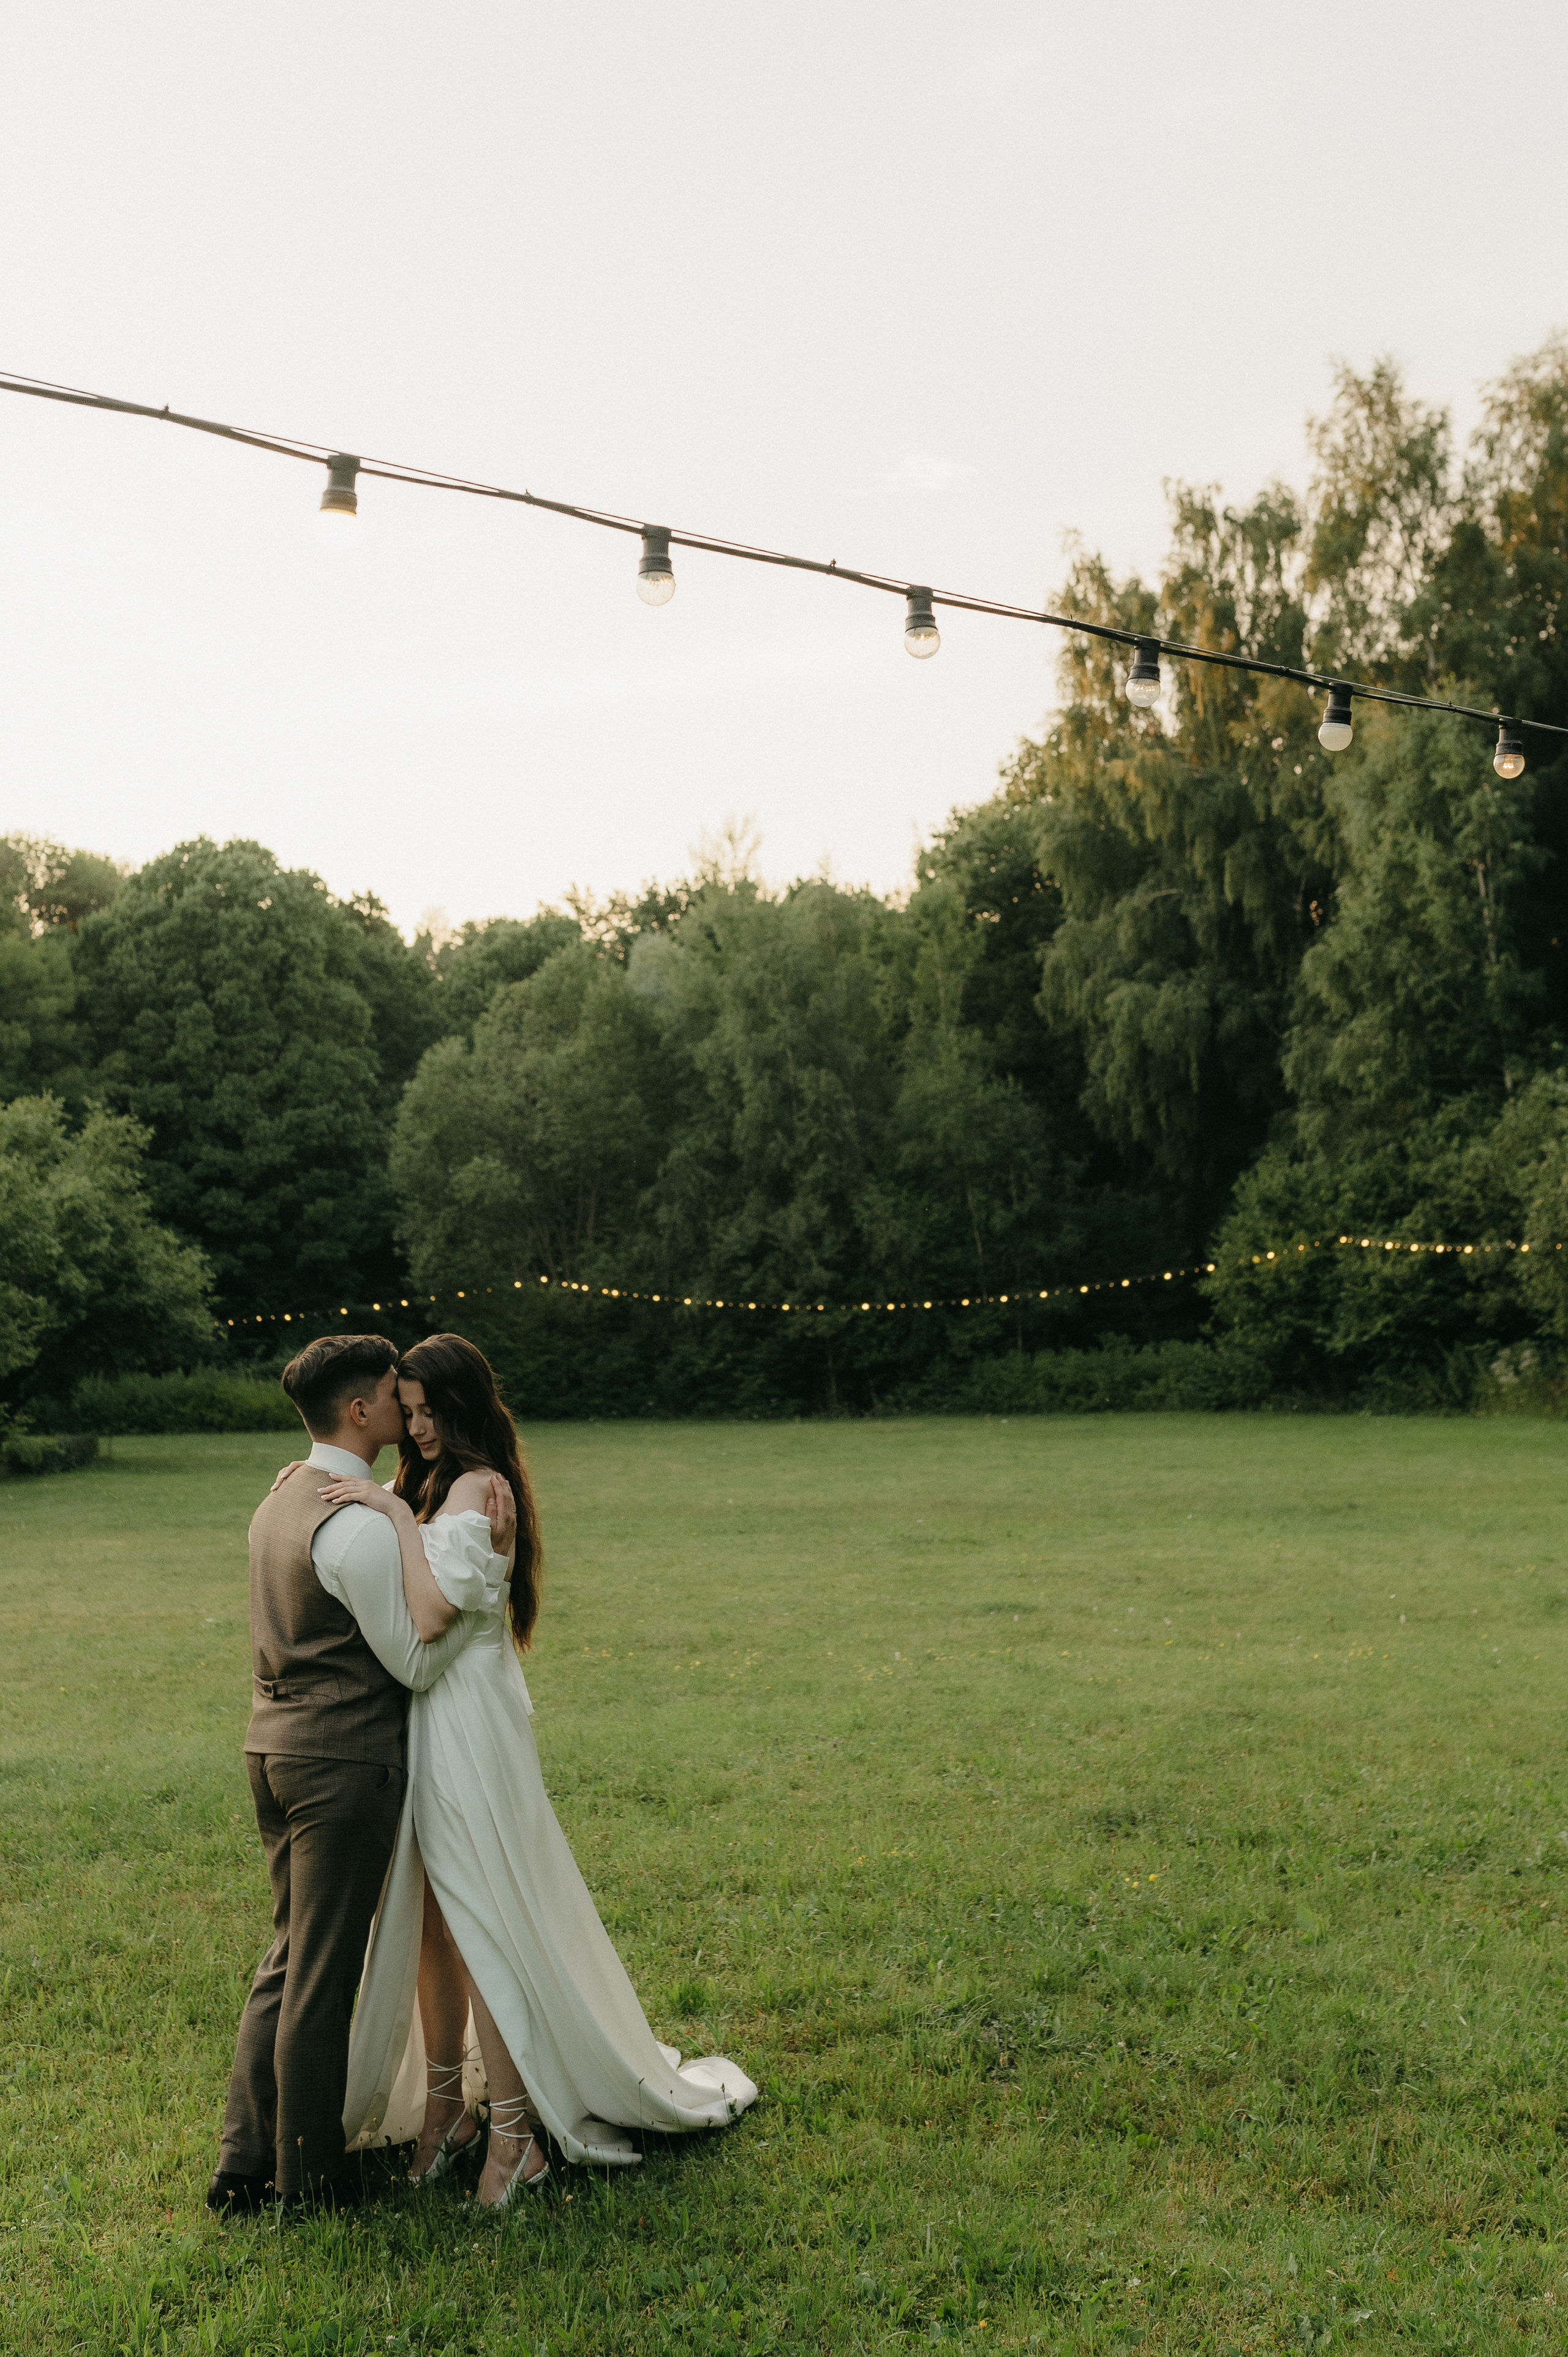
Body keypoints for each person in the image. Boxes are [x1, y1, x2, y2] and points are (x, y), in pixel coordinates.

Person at [285, 1331, 757, 2211]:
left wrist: (390, 1518)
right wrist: (318, 1484)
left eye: (430, 1413)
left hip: (468, 1725)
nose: (416, 1428)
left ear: (462, 1409)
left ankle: (513, 2136)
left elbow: (426, 1618)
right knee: (433, 1922)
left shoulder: (475, 1489)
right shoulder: (424, 1482)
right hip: (429, 1719)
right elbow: (360, 1494)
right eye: (409, 1411)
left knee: (478, 1923)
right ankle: (442, 2114)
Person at [207, 1332, 514, 2215]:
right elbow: (415, 1667)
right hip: (340, 1764)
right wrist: (482, 1597)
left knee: (287, 1955)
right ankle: (309, 2179)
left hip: (270, 1749)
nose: (405, 1409)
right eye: (392, 1395)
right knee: (323, 1973)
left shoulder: (283, 1499)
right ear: (359, 1411)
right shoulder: (352, 1525)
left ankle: (242, 2161)